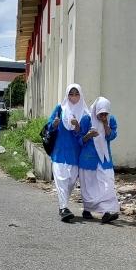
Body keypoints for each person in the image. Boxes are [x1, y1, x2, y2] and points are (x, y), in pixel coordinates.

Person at [47, 84, 87, 222]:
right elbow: (49, 125)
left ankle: (63, 206)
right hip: (60, 151)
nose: (74, 97)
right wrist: (54, 124)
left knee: (70, 182)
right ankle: (64, 208)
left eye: (76, 94)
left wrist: (77, 126)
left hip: (75, 154)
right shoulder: (60, 109)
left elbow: (85, 135)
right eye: (71, 94)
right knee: (61, 180)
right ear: (67, 95)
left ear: (80, 95)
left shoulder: (85, 113)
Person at [78, 97, 119, 223]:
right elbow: (79, 140)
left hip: (104, 159)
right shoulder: (87, 119)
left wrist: (105, 123)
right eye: (100, 114)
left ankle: (108, 211)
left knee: (108, 183)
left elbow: (111, 136)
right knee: (89, 186)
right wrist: (89, 135)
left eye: (105, 113)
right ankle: (87, 209)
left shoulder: (110, 119)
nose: (103, 116)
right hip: (88, 159)